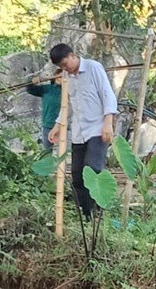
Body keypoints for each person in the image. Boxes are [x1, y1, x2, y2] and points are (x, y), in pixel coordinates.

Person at [47, 42, 118, 221]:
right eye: (61, 67)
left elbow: (107, 94)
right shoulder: (67, 77)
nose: (65, 69)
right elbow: (68, 104)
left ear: (72, 56)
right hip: (79, 131)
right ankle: (84, 214)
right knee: (77, 175)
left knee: (92, 169)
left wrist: (108, 123)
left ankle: (97, 212)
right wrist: (57, 125)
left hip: (98, 128)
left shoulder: (94, 68)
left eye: (65, 64)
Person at [26, 64, 62, 151]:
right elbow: (30, 89)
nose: (62, 78)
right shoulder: (47, 89)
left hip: (64, 126)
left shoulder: (70, 90)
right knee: (47, 152)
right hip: (48, 125)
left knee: (64, 153)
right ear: (55, 77)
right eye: (60, 76)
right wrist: (32, 80)